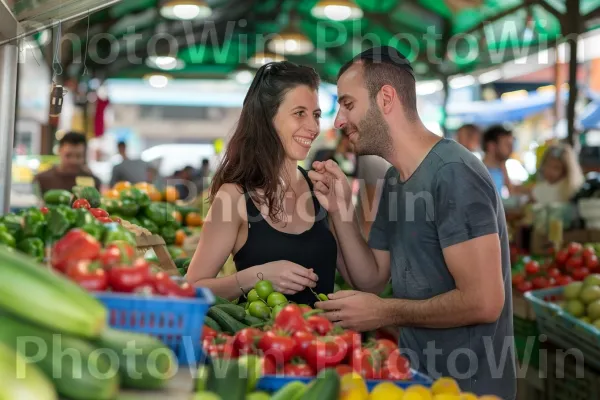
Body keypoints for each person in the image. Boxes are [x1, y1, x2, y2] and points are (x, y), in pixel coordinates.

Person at [308, 47, 516, 399]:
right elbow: (372, 278)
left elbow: (484, 301)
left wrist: (384, 311)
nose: (338, 122)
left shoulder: (453, 173)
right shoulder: (395, 180)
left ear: (386, 98)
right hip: (417, 381)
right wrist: (339, 211)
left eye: (348, 104)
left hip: (468, 389)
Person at [186, 61, 351, 307]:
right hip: (259, 343)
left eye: (315, 115)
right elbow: (192, 289)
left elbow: (362, 278)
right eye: (299, 113)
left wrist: (343, 208)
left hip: (325, 342)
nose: (313, 127)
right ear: (267, 119)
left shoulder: (321, 189)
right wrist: (256, 277)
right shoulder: (233, 197)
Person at [34, 132, 101, 196]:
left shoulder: (93, 181)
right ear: (59, 151)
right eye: (68, 155)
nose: (73, 161)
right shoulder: (42, 179)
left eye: (78, 156)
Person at [482, 125, 515, 197]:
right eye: (507, 145)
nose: (511, 149)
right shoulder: (478, 171)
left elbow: (512, 191)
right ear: (491, 146)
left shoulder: (501, 167)